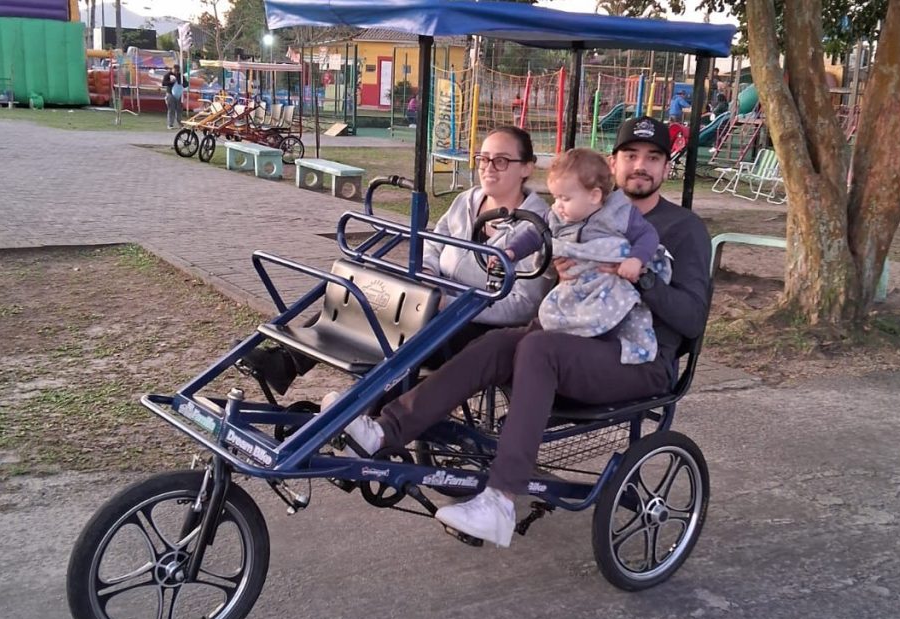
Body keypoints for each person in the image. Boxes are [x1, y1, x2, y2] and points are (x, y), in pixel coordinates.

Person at [329, 116, 711, 548]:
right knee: (496, 344)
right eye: (631, 156)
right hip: (576, 342)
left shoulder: (683, 229)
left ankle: (500, 500)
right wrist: (553, 270)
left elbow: (692, 320)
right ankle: (385, 430)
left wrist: (638, 278)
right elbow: (544, 260)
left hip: (637, 357)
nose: (641, 166)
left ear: (666, 168)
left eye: (653, 158)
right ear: (613, 164)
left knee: (538, 348)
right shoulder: (580, 211)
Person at [242, 126, 553, 393]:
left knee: (402, 317)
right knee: (370, 284)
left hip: (474, 323)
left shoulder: (536, 228)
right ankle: (287, 361)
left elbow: (524, 303)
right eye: (483, 159)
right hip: (434, 300)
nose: (488, 168)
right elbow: (432, 242)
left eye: (500, 161)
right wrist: (428, 270)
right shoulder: (467, 201)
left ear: (526, 167)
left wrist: (454, 303)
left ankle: (366, 412)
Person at [503, 148, 670, 365]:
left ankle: (604, 341)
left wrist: (635, 260)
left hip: (608, 282)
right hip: (576, 283)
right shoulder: (557, 216)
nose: (557, 205)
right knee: (555, 313)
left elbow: (648, 236)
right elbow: (535, 234)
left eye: (565, 198)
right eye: (555, 197)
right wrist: (511, 252)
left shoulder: (619, 214)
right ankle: (573, 340)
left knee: (614, 312)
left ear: (594, 196)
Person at [162, 65, 187, 130]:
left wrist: (183, 83)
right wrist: (171, 82)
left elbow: (186, 84)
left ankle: (180, 123)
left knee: (179, 109)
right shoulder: (168, 75)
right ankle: (170, 124)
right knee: (171, 109)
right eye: (175, 70)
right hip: (170, 93)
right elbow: (163, 83)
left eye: (178, 70)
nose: (176, 72)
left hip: (178, 94)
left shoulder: (180, 76)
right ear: (173, 69)